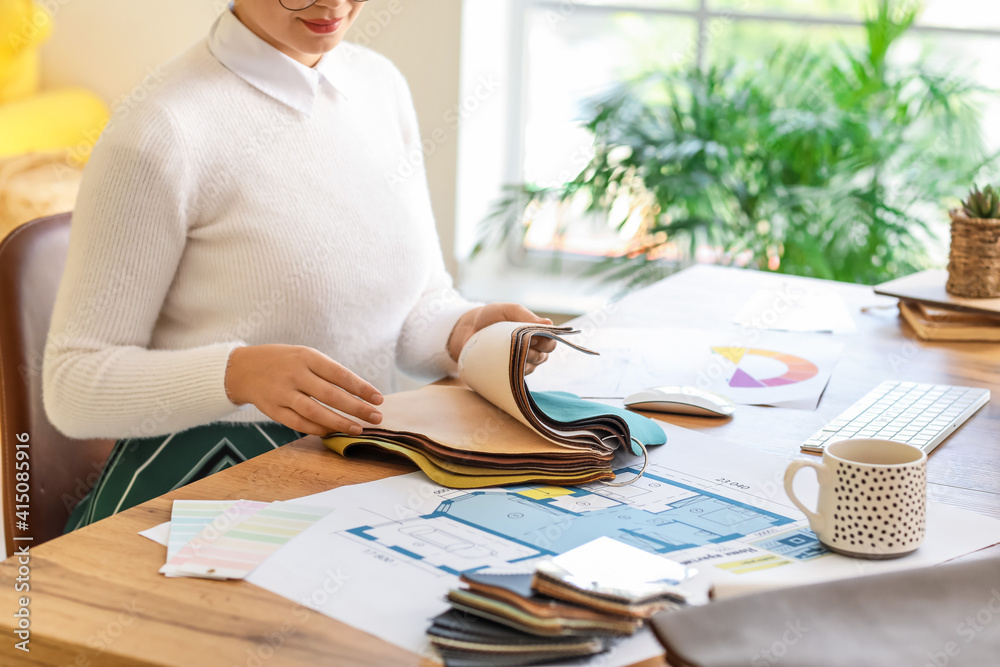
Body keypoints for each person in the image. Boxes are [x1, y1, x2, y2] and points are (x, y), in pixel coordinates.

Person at [42, 0, 555, 532]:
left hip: (350, 471)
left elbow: (412, 307)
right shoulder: (160, 131)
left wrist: (462, 331)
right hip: (199, 493)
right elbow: (72, 384)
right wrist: (237, 374)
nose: (331, 4)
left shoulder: (379, 86)